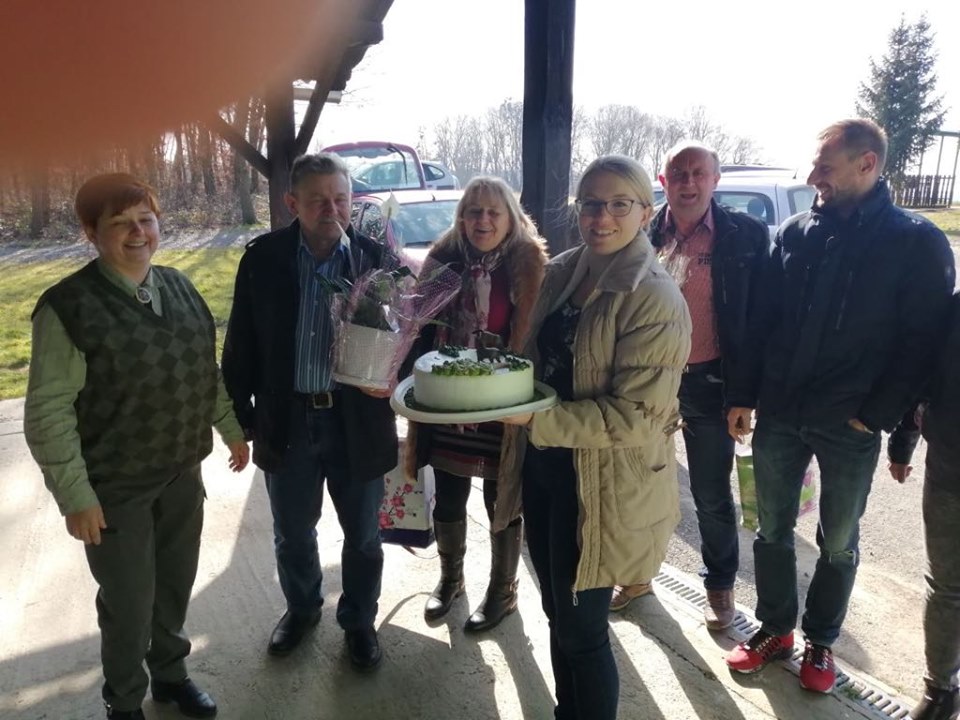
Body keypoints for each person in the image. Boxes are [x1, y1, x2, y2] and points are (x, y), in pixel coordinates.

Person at [724, 118, 956, 694]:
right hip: (781, 413)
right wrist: (744, 395)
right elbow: (762, 323)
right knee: (771, 530)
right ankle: (775, 630)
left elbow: (921, 345)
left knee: (838, 541)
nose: (812, 178)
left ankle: (821, 641)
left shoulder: (915, 242)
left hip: (850, 422)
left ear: (867, 164)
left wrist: (877, 416)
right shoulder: (795, 232)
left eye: (824, 167)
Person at [23, 173, 250, 720]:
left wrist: (230, 427)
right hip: (115, 489)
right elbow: (48, 413)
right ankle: (124, 703)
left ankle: (170, 676)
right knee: (128, 604)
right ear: (90, 232)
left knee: (173, 587)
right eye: (119, 223)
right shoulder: (68, 308)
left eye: (145, 219)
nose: (137, 232)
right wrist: (75, 496)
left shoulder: (180, 287)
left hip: (181, 475)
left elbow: (205, 371)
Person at [499, 155, 692, 719]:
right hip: (545, 468)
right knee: (557, 613)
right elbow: (537, 359)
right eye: (590, 204)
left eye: (618, 204)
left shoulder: (654, 297)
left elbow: (636, 416)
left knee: (583, 631)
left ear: (645, 213)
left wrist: (534, 420)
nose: (601, 217)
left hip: (603, 484)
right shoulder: (562, 271)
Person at [221, 152, 400, 672]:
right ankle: (302, 609)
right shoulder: (263, 259)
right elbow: (241, 343)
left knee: (363, 535)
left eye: (340, 199)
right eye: (318, 200)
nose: (331, 209)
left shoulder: (376, 260)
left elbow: (407, 340)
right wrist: (240, 419)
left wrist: (393, 379)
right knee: (293, 532)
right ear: (291, 202)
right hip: (288, 420)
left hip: (357, 422)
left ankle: (359, 621)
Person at [610, 141, 769, 625]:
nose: (689, 183)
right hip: (648, 377)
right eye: (678, 173)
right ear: (663, 181)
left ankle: (720, 586)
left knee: (710, 494)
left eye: (699, 173)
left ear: (715, 180)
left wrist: (743, 396)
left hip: (712, 381)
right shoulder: (639, 229)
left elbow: (757, 321)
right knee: (638, 482)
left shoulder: (745, 235)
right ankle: (636, 574)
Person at [405, 176, 548, 630]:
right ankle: (451, 580)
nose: (483, 220)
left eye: (493, 212)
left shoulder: (528, 264)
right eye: (473, 211)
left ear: (510, 218)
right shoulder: (443, 261)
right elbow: (416, 327)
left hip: (501, 404)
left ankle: (503, 591)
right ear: (462, 217)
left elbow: (541, 339)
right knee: (448, 496)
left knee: (499, 500)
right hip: (449, 399)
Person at [887, 294, 960, 720]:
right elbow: (925, 378)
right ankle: (940, 691)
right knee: (948, 584)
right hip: (950, 469)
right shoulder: (954, 309)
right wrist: (903, 442)